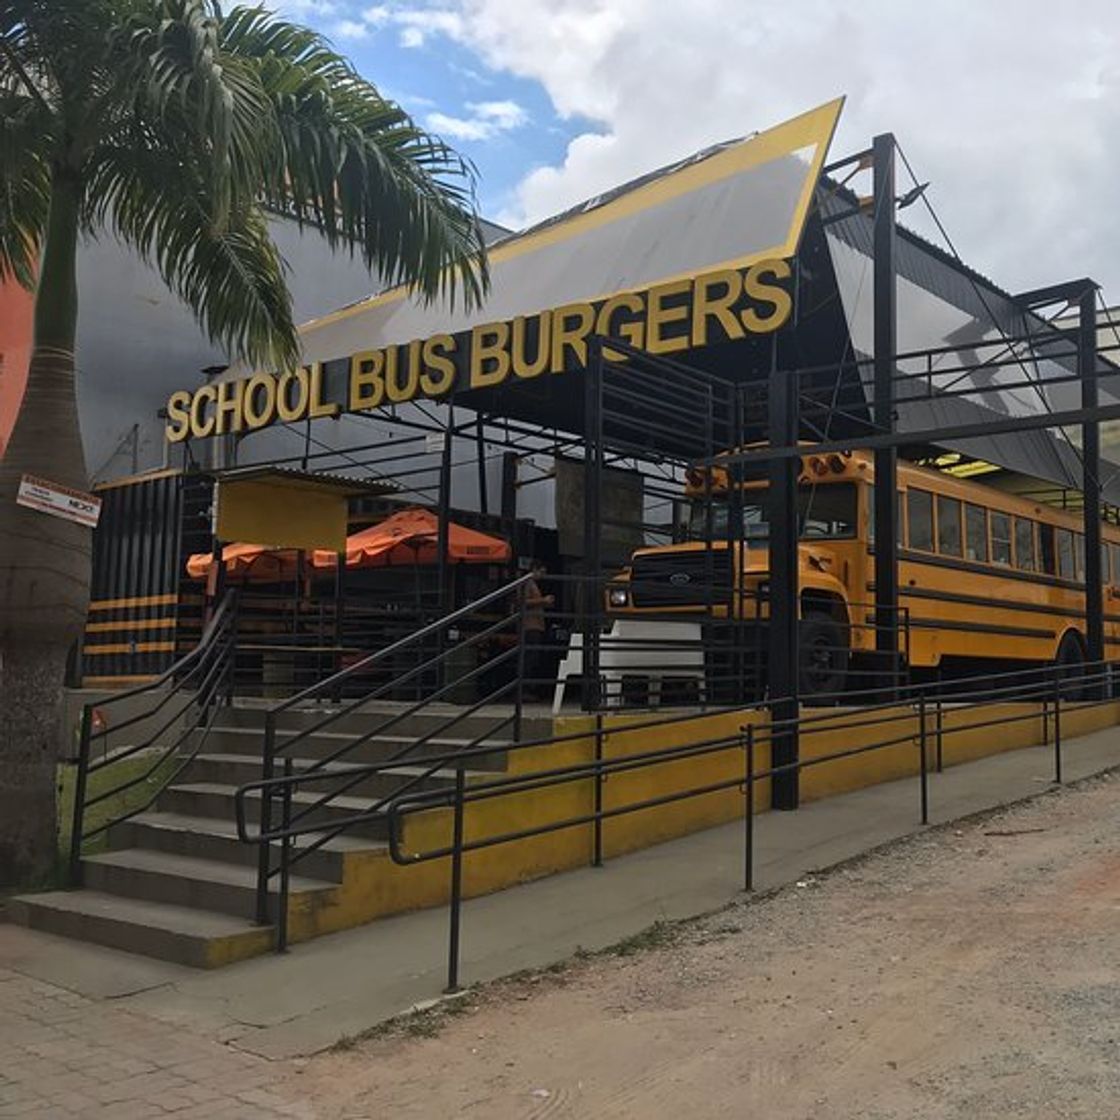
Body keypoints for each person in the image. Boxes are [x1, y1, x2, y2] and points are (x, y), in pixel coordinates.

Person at [521, 560, 554, 698]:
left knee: (533, 657)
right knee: (530, 657)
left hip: (536, 624)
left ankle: (528, 689)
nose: (542, 575)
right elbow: (522, 601)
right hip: (530, 625)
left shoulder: (532, 584)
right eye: (541, 572)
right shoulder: (527, 583)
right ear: (534, 569)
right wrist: (543, 601)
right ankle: (524, 689)